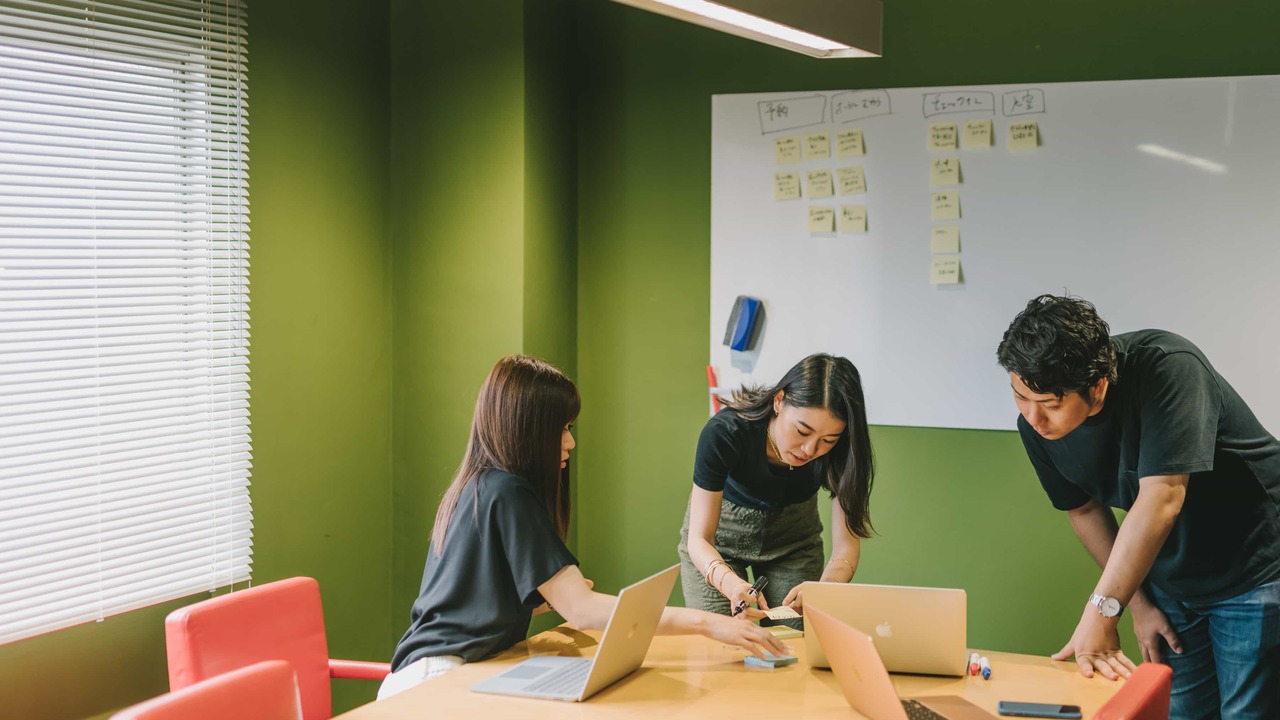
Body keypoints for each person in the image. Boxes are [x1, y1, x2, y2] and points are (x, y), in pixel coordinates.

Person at [382, 355, 784, 700]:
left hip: (446, 670)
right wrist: (709, 623)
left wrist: (546, 598)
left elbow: (477, 596)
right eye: (561, 429)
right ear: (527, 429)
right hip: (438, 676)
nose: (570, 443)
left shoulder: (480, 486)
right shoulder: (507, 491)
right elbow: (584, 610)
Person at [997, 294, 1280, 719]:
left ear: (1097, 386)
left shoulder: (1169, 367)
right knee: (1181, 711)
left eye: (1051, 404)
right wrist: (1139, 605)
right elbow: (1084, 510)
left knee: (1246, 712)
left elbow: (1162, 497)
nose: (1034, 418)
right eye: (1020, 397)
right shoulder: (1035, 426)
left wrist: (1101, 614)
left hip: (1253, 567)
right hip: (1171, 576)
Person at [677, 353, 875, 624]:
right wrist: (728, 583)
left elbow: (846, 548)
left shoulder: (843, 452)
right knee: (720, 634)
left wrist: (825, 587)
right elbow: (699, 539)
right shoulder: (726, 433)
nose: (810, 450)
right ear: (779, 401)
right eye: (802, 431)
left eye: (828, 440)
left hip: (793, 543)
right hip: (717, 543)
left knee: (794, 635)